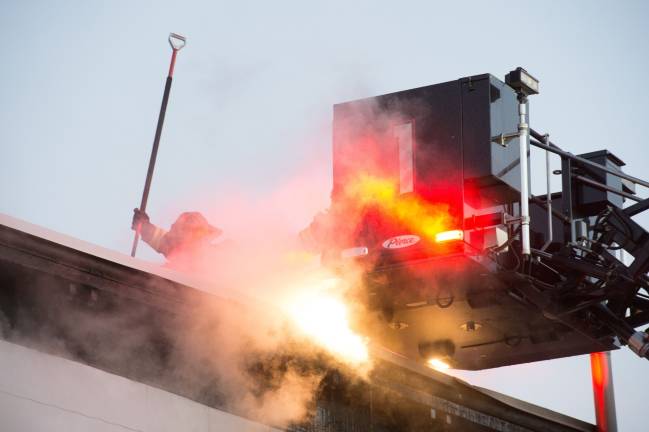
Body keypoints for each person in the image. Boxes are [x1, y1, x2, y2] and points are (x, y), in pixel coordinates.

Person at [132, 209, 223, 260]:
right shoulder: (176, 248)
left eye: (186, 229)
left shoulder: (220, 255)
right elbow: (163, 240)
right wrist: (144, 226)